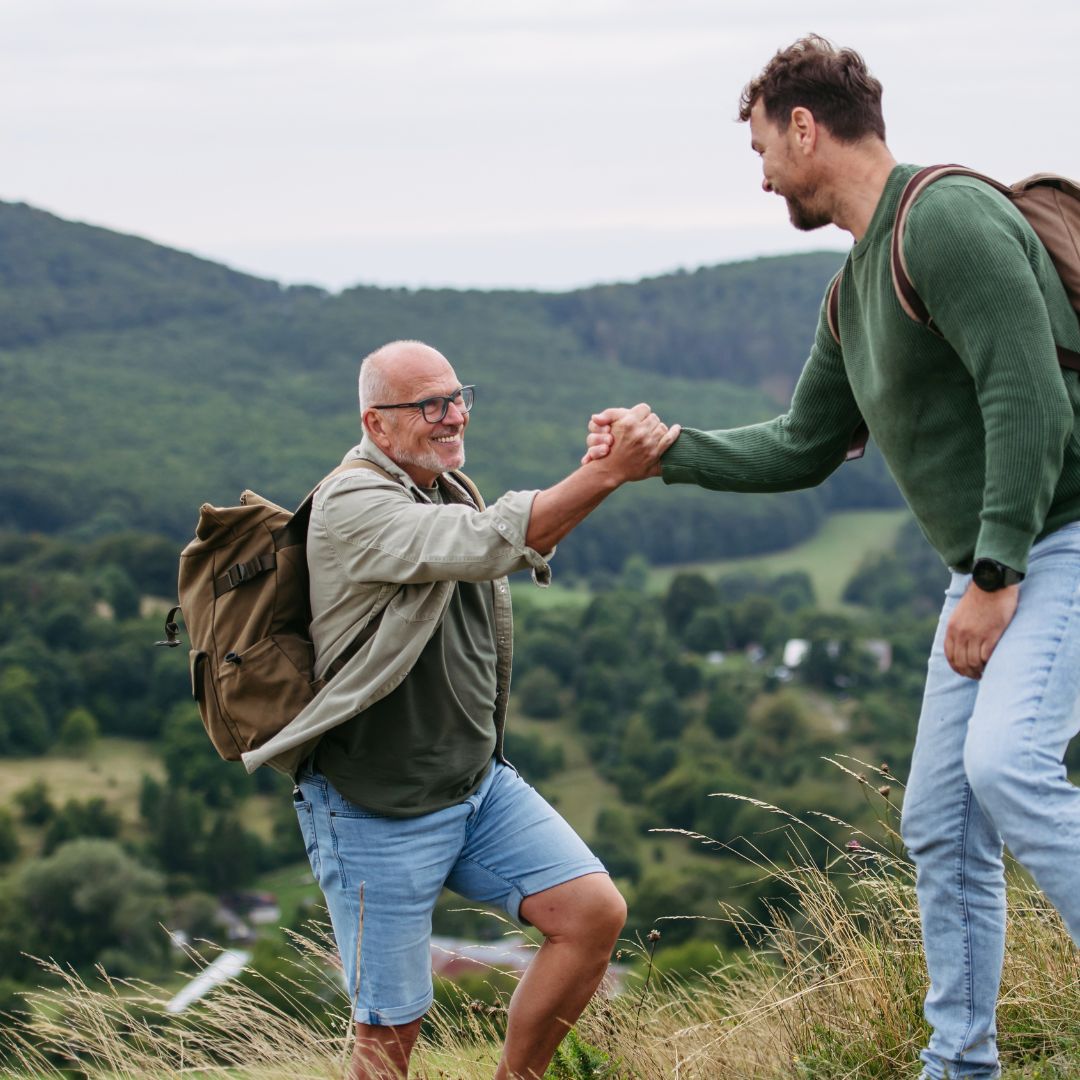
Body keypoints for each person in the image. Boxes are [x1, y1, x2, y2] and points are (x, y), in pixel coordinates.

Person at [585, 35, 1080, 1080]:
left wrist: (994, 576)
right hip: (995, 565)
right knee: (941, 822)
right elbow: (802, 445)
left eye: (764, 145)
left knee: (1008, 769)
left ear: (805, 126)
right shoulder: (853, 289)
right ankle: (960, 1065)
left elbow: (1027, 395)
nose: (762, 172)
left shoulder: (943, 219)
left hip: (1057, 541)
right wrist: (663, 453)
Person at [244, 339, 678, 1080]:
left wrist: (601, 478)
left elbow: (515, 543)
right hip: (372, 804)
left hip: (475, 786)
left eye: (457, 398)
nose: (452, 417)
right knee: (391, 1032)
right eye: (429, 406)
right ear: (376, 424)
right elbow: (488, 544)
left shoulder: (440, 485)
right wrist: (606, 470)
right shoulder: (352, 503)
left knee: (591, 914)